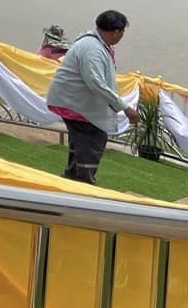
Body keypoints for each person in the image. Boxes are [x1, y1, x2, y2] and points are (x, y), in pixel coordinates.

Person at [45, 10, 139, 185]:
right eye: (122, 32)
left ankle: (72, 179)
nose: (122, 36)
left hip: (75, 103)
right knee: (93, 139)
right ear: (116, 32)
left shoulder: (96, 44)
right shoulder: (92, 49)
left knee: (81, 142)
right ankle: (85, 182)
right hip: (75, 104)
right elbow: (96, 83)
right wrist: (125, 107)